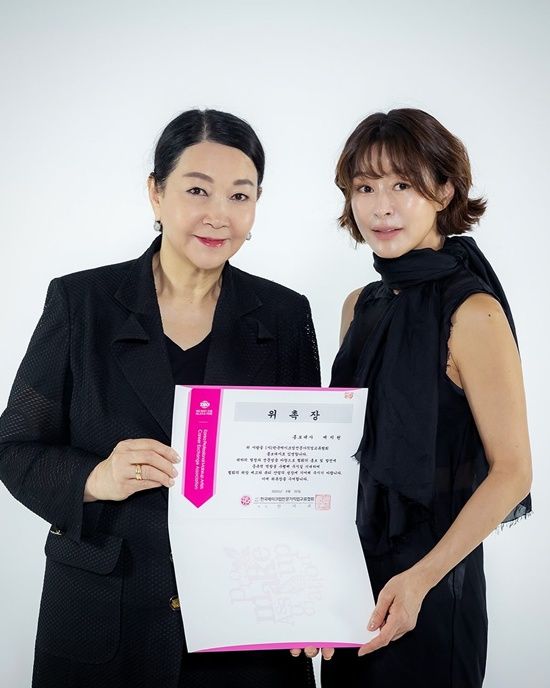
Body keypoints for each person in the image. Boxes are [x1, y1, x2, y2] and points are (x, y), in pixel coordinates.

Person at [0, 109, 320, 688]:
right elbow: (14, 448)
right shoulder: (81, 302)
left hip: (245, 627)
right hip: (105, 614)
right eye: (197, 190)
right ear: (156, 192)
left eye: (239, 195)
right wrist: (95, 478)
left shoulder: (285, 314)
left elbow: (307, 477)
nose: (218, 215)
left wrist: (307, 596)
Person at [321, 109, 532, 687]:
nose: (381, 207)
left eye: (402, 185)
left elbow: (513, 472)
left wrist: (420, 579)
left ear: (443, 190)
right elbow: (347, 453)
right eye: (365, 187)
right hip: (355, 582)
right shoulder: (360, 305)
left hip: (433, 586)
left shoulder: (473, 312)